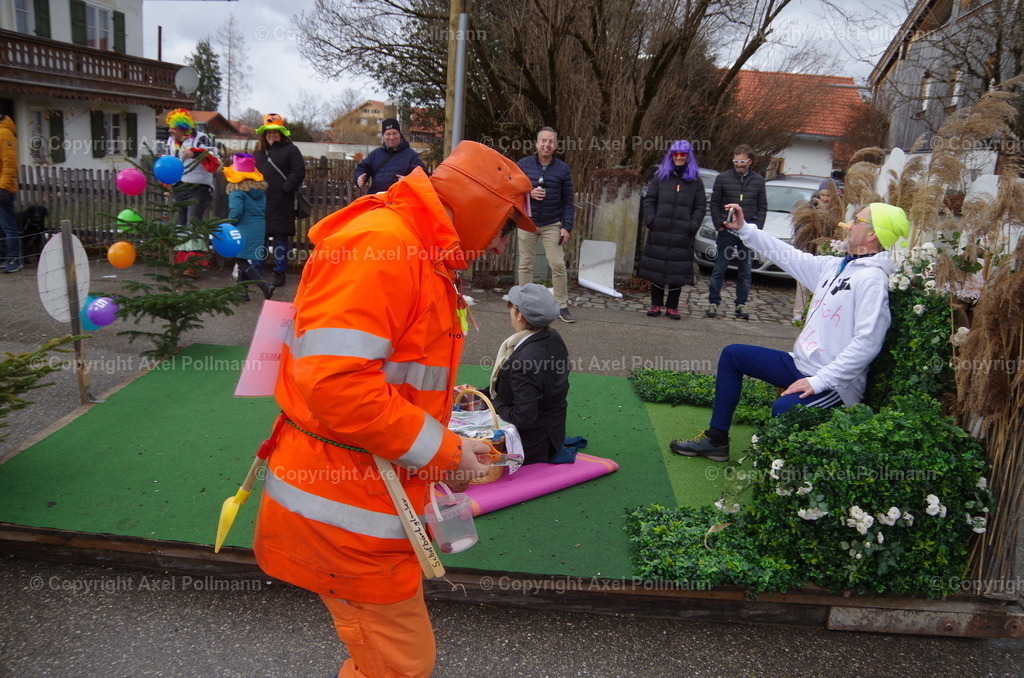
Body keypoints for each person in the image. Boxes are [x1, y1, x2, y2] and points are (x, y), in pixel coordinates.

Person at [253, 140, 537, 678]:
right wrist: (448, 451)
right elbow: (338, 388)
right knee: (400, 666)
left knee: (391, 663)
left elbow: (377, 378)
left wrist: (447, 439)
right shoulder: (385, 248)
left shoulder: (411, 248)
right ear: (476, 206)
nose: (499, 248)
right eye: (502, 226)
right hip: (345, 510)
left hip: (363, 500)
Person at [670, 200, 909, 462]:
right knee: (733, 355)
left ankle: (785, 472)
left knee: (784, 409)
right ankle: (716, 441)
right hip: (800, 364)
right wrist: (745, 229)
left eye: (856, 222)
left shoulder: (872, 280)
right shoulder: (837, 266)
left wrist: (819, 381)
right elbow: (791, 256)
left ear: (873, 234)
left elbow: (868, 344)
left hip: (834, 385)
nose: (848, 225)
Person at [457, 283, 570, 464]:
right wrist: (480, 393)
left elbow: (523, 418)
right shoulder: (552, 337)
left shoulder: (524, 361)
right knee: (462, 407)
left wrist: (493, 404)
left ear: (520, 316)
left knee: (452, 436)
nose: (508, 310)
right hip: (552, 433)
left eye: (511, 306)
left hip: (533, 444)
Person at [637, 140, 707, 320]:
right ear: (671, 156)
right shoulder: (661, 177)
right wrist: (651, 220)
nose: (679, 157)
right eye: (675, 154)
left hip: (682, 233)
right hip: (660, 230)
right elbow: (649, 200)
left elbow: (700, 206)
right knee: (657, 268)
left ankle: (672, 306)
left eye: (683, 154)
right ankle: (655, 304)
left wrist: (692, 225)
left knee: (677, 270)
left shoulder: (695, 182)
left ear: (688, 156)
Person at [516, 127, 576, 323]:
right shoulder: (523, 165)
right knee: (525, 265)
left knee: (558, 265)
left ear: (556, 146)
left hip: (552, 223)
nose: (546, 145)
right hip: (528, 222)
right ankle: (523, 305)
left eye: (550, 141)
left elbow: (568, 201)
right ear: (536, 143)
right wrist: (529, 193)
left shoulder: (563, 169)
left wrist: (566, 227)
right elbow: (512, 190)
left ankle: (561, 305)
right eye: (543, 141)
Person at [705, 144, 767, 320]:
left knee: (745, 271)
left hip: (747, 232)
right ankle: (713, 302)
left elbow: (762, 206)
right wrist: (719, 224)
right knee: (720, 268)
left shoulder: (758, 180)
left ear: (750, 161)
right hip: (726, 231)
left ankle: (741, 303)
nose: (739, 164)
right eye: (736, 161)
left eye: (742, 161)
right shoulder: (723, 178)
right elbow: (714, 203)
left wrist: (756, 228)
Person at [254, 113, 306, 288]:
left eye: (275, 132)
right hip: (262, 201)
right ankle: (257, 271)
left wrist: (286, 189)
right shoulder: (259, 153)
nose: (272, 135)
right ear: (264, 134)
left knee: (280, 239)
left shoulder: (291, 150)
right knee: (260, 238)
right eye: (269, 132)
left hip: (282, 201)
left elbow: (298, 171)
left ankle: (279, 272)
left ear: (282, 133)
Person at [165, 108, 220, 269]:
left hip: (197, 188)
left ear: (182, 127)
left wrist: (194, 154)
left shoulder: (200, 138)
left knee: (193, 226)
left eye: (173, 127)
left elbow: (213, 156)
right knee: (180, 226)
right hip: (178, 188)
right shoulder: (170, 142)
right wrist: (168, 186)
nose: (170, 130)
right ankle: (182, 261)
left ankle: (193, 265)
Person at [223, 153, 273, 301]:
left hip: (243, 227)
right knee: (243, 259)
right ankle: (242, 292)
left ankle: (265, 286)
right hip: (258, 227)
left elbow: (236, 211)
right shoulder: (260, 190)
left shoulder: (236, 190)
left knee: (241, 260)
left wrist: (228, 225)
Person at [790, 183, 842, 324]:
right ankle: (798, 313)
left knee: (819, 283)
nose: (824, 198)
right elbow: (799, 228)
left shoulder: (837, 210)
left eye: (828, 195)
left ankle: (814, 312)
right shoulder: (809, 207)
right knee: (802, 282)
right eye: (822, 195)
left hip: (825, 250)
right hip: (808, 248)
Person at [353, 118, 426, 194]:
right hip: (377, 198)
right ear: (383, 136)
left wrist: (408, 181)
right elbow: (362, 168)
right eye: (388, 134)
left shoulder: (411, 155)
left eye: (395, 133)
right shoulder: (375, 154)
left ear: (400, 135)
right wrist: (359, 178)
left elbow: (422, 176)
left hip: (399, 199)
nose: (391, 137)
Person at [0, 112, 19, 273]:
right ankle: (3, 257)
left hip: (3, 189)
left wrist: (3, 187)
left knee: (8, 226)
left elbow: (9, 163)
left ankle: (14, 258)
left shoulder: (4, 133)